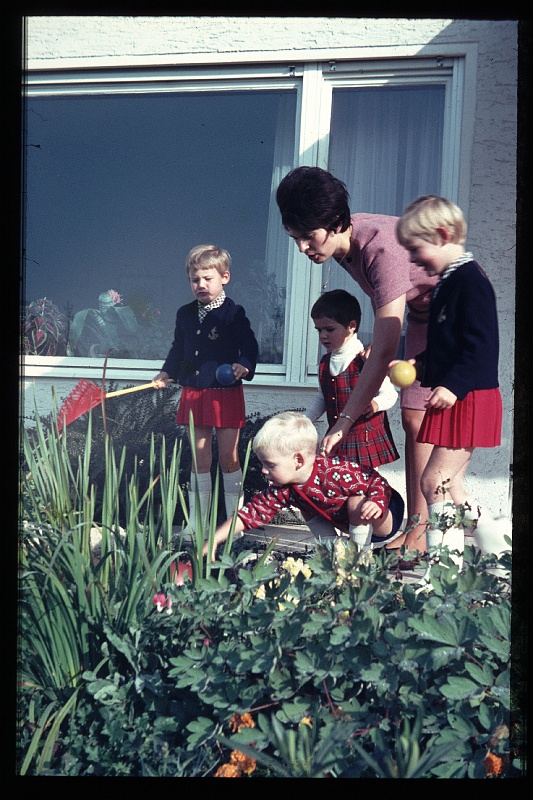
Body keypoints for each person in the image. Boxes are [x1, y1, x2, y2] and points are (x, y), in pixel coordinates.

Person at [276, 166, 438, 558]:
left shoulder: (381, 250)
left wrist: (344, 421)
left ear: (335, 222)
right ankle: (416, 530)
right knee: (413, 417)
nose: (302, 248)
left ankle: (420, 533)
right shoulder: (344, 246)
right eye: (295, 238)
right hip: (421, 314)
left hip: (452, 315)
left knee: (417, 417)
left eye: (308, 236)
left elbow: (383, 352)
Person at [391, 195, 510, 579]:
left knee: (433, 481)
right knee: (452, 488)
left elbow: (481, 346)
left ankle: (442, 575)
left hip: (469, 397)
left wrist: (454, 386)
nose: (414, 260)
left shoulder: (470, 281)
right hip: (456, 396)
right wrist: (419, 364)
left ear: (442, 235)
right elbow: (450, 347)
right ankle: (500, 554)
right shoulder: (449, 282)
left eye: (416, 249)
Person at [153, 244, 258, 535]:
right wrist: (166, 372)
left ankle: (234, 524)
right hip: (195, 392)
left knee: (228, 457)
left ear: (224, 277)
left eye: (207, 278)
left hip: (225, 394)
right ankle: (198, 523)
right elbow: (178, 349)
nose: (201, 284)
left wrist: (243, 365)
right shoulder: (185, 314)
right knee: (199, 458)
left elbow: (249, 346)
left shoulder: (233, 313)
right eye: (194, 279)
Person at [203, 411, 405, 562]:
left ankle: (359, 561)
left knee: (356, 500)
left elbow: (375, 480)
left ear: (298, 460)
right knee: (304, 503)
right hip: (343, 521)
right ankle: (332, 554)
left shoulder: (335, 471)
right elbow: (250, 513)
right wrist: (215, 539)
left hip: (381, 518)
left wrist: (376, 502)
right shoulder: (283, 489)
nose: (264, 470)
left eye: (270, 465)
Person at [305, 289, 399, 469]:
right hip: (337, 438)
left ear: (352, 326)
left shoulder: (366, 361)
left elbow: (390, 394)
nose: (323, 335)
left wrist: (376, 404)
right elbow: (322, 399)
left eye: (329, 329)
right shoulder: (325, 363)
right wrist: (304, 419)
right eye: (319, 330)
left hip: (363, 441)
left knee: (363, 484)